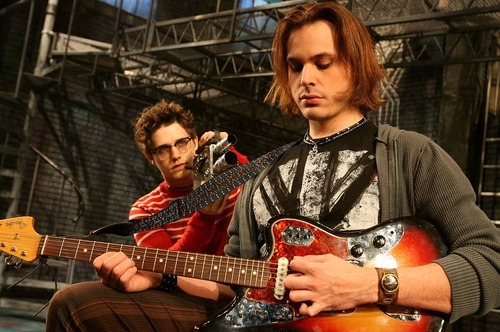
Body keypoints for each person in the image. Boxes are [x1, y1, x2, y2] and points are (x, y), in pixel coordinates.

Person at [46, 2, 499, 331]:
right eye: (295, 65)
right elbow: (235, 284)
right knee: (76, 305)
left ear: (357, 66)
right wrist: (159, 275)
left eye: (323, 63)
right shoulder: (261, 173)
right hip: (263, 324)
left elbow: (492, 265)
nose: (306, 78)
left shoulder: (412, 155)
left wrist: (368, 285)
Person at [129, 99, 248, 255]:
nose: (176, 155)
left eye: (182, 143)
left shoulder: (227, 176)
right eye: (163, 149)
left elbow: (260, 185)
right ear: (151, 158)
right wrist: (204, 218)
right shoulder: (145, 210)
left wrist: (230, 151)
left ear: (196, 142)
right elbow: (163, 268)